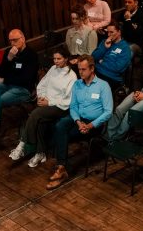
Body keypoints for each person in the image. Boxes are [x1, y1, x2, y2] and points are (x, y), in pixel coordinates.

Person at [47, 57, 113, 189]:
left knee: (62, 133)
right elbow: (73, 106)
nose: (81, 72)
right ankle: (61, 167)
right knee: (60, 126)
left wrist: (90, 125)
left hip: (94, 124)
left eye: (84, 69)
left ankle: (63, 170)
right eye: (79, 69)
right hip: (78, 120)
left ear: (92, 68)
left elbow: (108, 112)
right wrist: (78, 122)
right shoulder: (77, 84)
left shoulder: (103, 86)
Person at [9, 51, 77, 168]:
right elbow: (42, 84)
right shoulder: (53, 68)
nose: (55, 61)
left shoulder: (72, 76)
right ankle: (40, 153)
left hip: (60, 107)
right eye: (54, 59)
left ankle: (21, 145)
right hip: (46, 103)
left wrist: (49, 102)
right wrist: (41, 97)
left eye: (59, 59)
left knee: (35, 114)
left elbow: (67, 100)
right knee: (39, 121)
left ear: (66, 59)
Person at [0, 29, 38, 144]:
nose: (13, 43)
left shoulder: (31, 55)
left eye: (15, 40)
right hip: (8, 85)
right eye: (10, 41)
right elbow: (1, 73)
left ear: (23, 39)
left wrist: (6, 79)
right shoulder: (10, 52)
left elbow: (25, 79)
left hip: (23, 89)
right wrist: (9, 58)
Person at [91, 22, 132, 90]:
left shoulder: (125, 48)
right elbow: (94, 57)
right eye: (108, 32)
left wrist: (102, 62)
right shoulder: (105, 42)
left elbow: (118, 68)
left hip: (111, 77)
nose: (109, 35)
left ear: (119, 32)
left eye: (111, 32)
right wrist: (105, 47)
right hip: (97, 72)